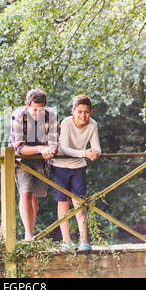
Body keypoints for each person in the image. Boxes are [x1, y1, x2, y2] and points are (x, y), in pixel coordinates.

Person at [50, 94, 101, 251]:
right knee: (63, 202)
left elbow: (97, 146)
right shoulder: (66, 123)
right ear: (73, 111)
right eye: (79, 111)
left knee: (80, 203)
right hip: (60, 166)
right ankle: (66, 241)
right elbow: (64, 148)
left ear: (90, 112)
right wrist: (84, 153)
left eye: (86, 112)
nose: (83, 116)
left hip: (78, 167)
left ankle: (84, 240)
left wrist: (95, 153)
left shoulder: (92, 124)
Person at [9, 88, 59, 240]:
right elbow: (19, 148)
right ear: (27, 105)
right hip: (21, 158)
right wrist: (40, 148)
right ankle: (28, 236)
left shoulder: (52, 115)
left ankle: (31, 233)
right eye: (34, 110)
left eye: (41, 110)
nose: (38, 114)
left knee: (35, 196)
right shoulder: (17, 116)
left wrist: (51, 149)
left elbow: (54, 142)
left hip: (40, 158)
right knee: (25, 193)